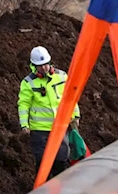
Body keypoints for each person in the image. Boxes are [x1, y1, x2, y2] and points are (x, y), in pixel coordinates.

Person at [17, 46, 80, 180]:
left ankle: (59, 187)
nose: (44, 68)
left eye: (46, 64)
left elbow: (71, 97)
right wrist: (24, 124)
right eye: (40, 66)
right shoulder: (28, 83)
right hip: (39, 130)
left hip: (60, 127)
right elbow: (23, 104)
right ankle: (41, 187)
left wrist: (75, 115)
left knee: (62, 159)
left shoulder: (62, 76)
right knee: (42, 162)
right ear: (33, 66)